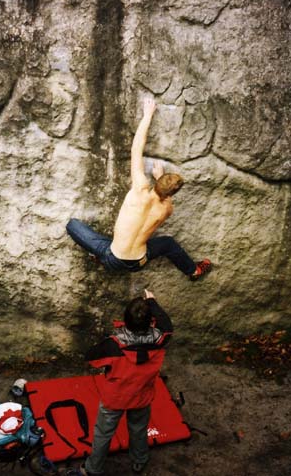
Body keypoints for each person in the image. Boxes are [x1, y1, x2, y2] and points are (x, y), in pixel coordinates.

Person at [66, 97, 212, 281]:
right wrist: (162, 181)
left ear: (156, 182)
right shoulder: (167, 209)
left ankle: (99, 256)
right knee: (168, 243)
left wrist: (147, 115)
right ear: (172, 193)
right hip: (139, 263)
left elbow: (137, 149)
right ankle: (193, 271)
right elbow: (164, 197)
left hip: (112, 259)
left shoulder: (139, 190)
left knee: (72, 225)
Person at [81, 290, 172, 475]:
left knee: (103, 433)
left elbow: (90, 357)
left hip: (115, 398)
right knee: (139, 429)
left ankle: (93, 468)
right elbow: (167, 325)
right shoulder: (161, 339)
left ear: (126, 321)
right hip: (142, 395)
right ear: (151, 321)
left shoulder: (113, 345)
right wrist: (152, 302)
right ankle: (139, 461)